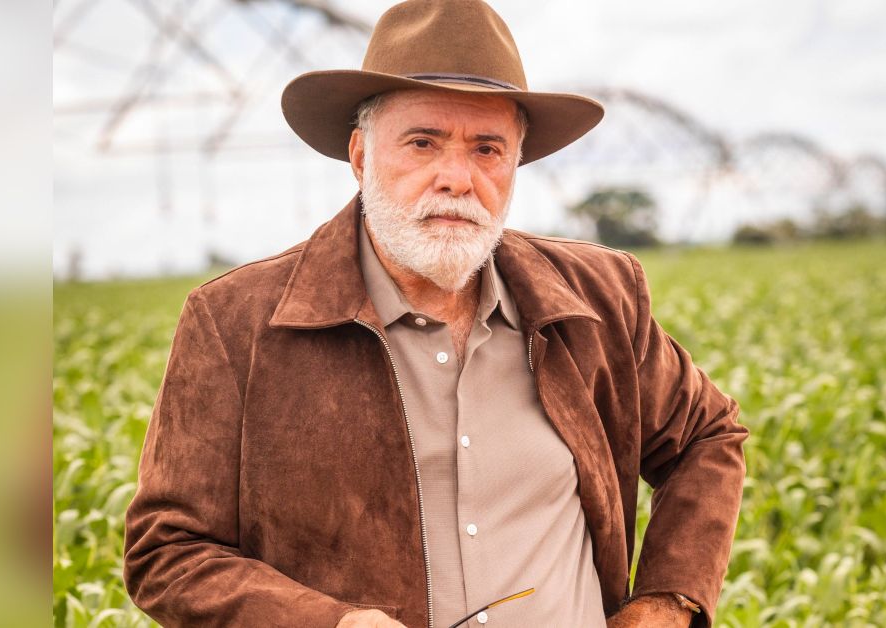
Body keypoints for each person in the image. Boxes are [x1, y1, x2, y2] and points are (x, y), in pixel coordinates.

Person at [122, 1, 748, 627]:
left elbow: (708, 435)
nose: (456, 178)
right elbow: (168, 550)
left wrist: (668, 601)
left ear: (516, 164)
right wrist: (330, 624)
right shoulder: (235, 324)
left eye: (487, 149)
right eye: (423, 143)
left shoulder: (599, 298)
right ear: (361, 156)